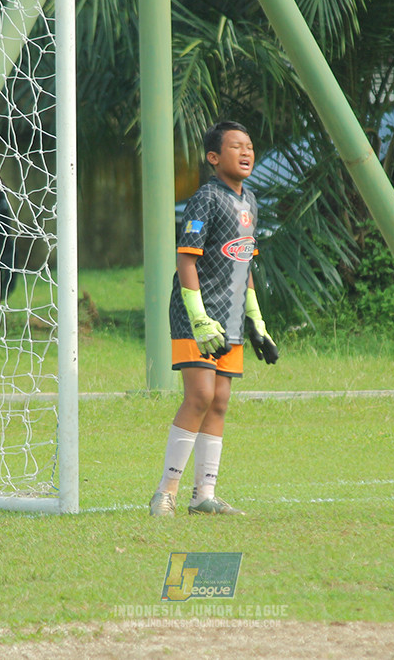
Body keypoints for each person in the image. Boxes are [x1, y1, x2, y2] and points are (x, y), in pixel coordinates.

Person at [149, 121, 278, 517]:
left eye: (250, 146)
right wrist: (199, 318)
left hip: (233, 317)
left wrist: (256, 321)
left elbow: (245, 264)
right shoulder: (206, 197)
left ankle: (203, 495)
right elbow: (186, 257)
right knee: (200, 396)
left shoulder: (250, 203)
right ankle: (165, 493)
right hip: (197, 315)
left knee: (220, 401)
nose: (246, 152)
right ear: (213, 157)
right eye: (236, 146)